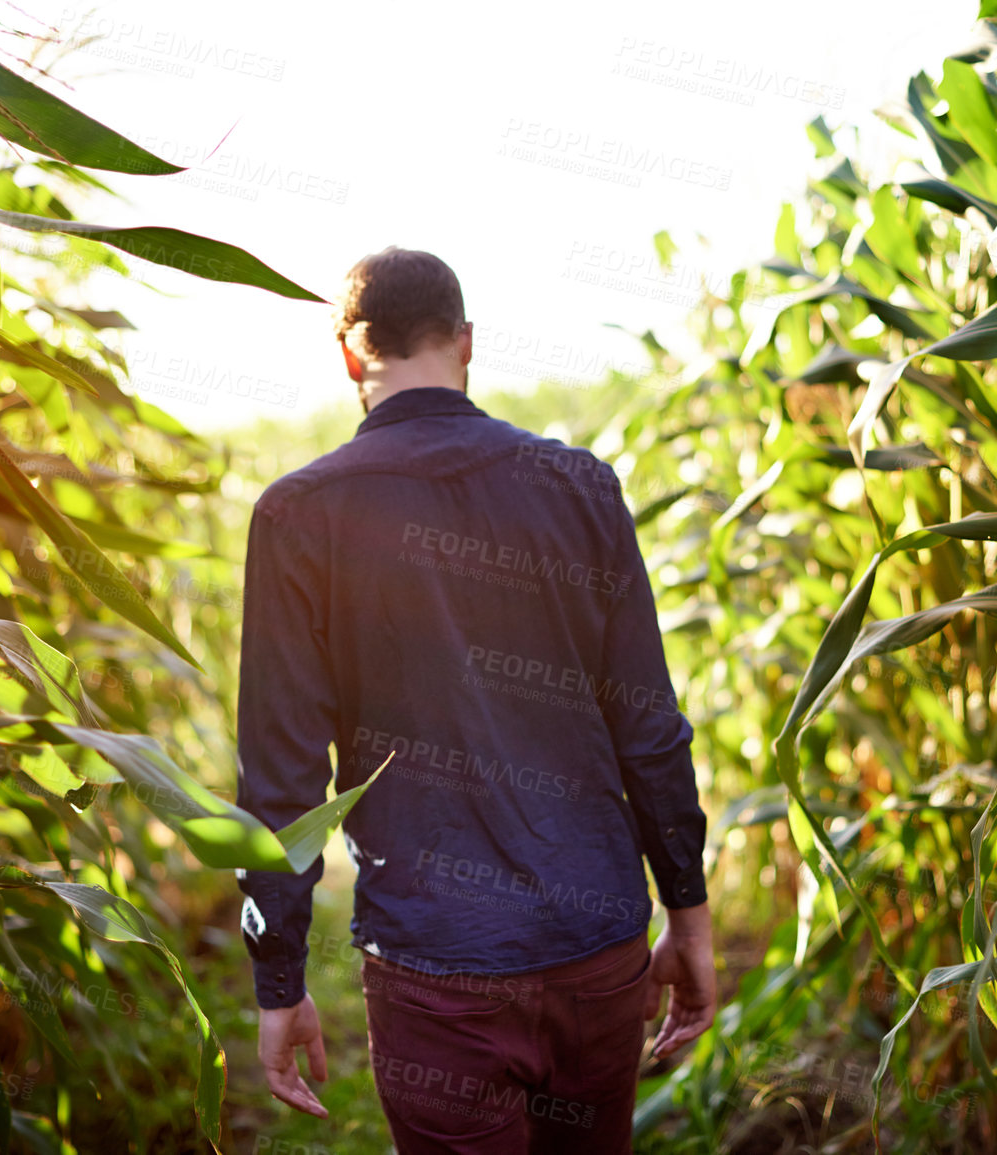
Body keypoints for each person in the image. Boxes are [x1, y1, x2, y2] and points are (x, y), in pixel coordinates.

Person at [234, 246, 714, 1154]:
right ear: (465, 345)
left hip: (434, 973)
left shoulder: (297, 516)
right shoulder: (580, 487)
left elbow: (281, 777)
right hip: (597, 950)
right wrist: (686, 912)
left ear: (349, 356)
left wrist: (278, 980)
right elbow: (648, 723)